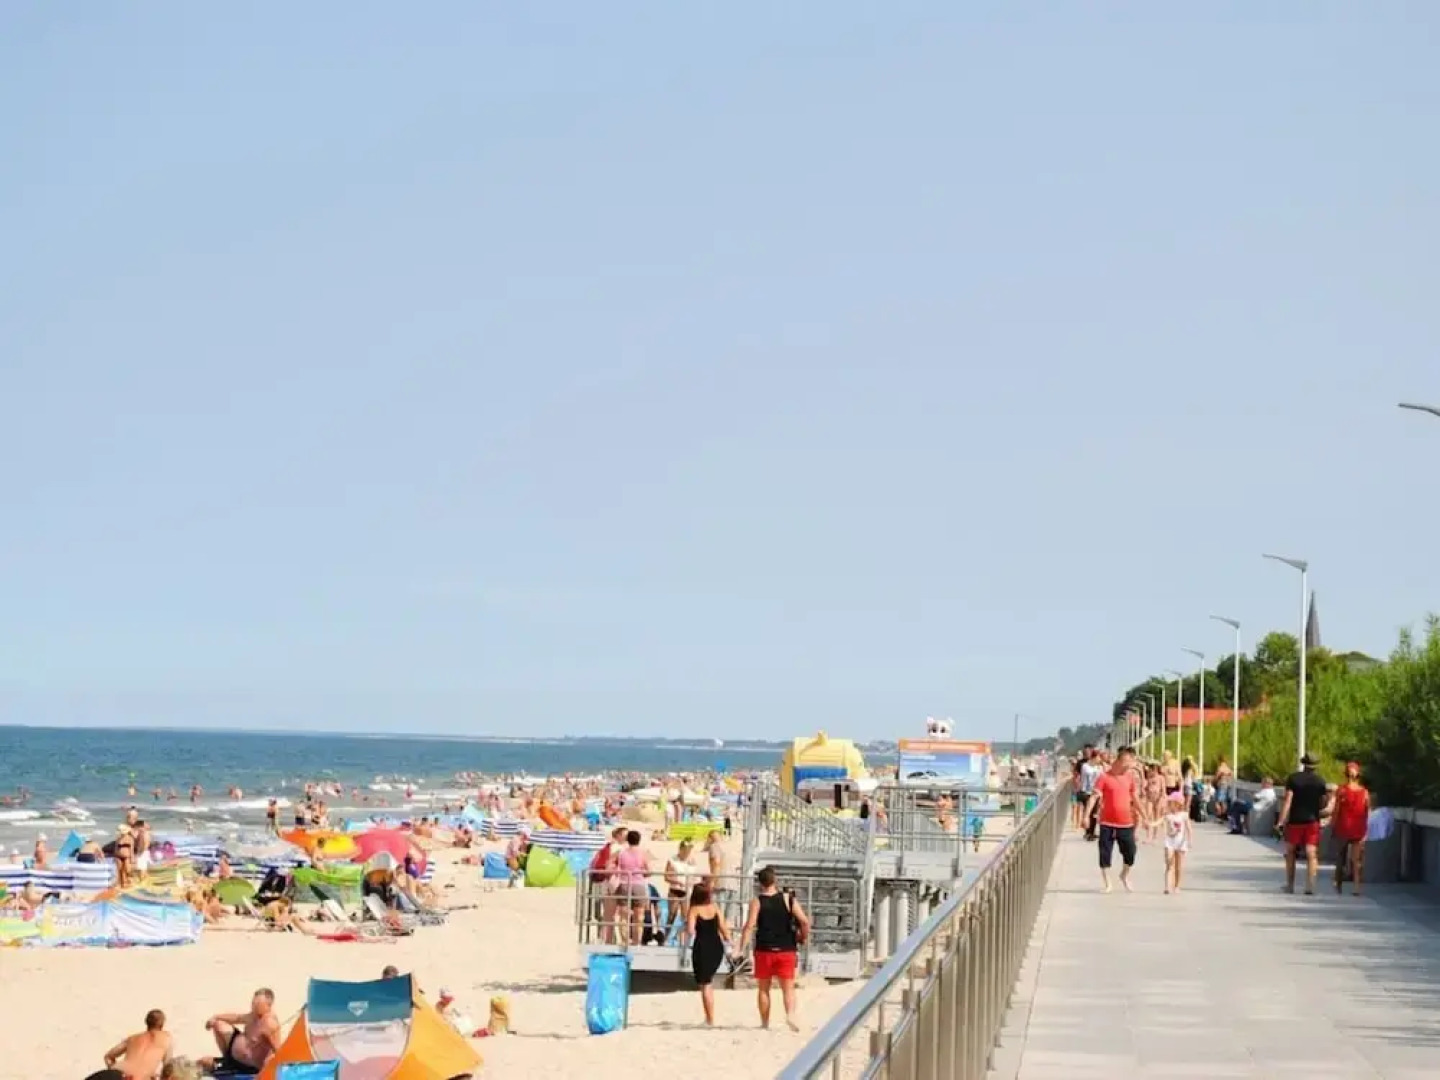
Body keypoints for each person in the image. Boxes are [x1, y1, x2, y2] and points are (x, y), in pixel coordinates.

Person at [738, 866, 809, 1031]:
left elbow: (750, 925)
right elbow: (804, 921)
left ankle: (764, 1023)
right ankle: (790, 1014)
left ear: (760, 883)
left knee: (764, 988)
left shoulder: (757, 901)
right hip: (786, 948)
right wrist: (802, 937)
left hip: (764, 949)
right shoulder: (788, 899)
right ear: (774, 880)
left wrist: (742, 946)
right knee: (788, 987)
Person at [1086, 746, 1140, 893]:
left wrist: (1145, 816)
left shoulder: (1129, 777)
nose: (1130, 768)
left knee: (1130, 852)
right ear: (1121, 761)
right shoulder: (1104, 777)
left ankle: (1124, 875)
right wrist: (1086, 816)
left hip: (1126, 822)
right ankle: (1108, 883)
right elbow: (1093, 797)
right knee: (1104, 853)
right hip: (1107, 823)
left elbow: (1135, 798)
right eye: (1128, 764)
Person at [1277, 753, 1331, 896]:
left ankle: (1290, 885)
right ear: (1316, 765)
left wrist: (1281, 821)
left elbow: (1287, 801)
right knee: (1311, 853)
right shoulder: (1320, 781)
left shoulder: (1293, 779)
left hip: (1295, 820)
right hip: (1312, 821)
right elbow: (1324, 802)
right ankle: (1310, 886)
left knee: (1290, 852)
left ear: (1303, 764)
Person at [200, 988, 282, 1074]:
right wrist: (216, 1017)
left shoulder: (270, 1024)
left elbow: (278, 1050)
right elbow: (237, 1018)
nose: (253, 1006)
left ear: (268, 1005)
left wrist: (270, 1063)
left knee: (205, 1062)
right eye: (253, 1003)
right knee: (218, 1024)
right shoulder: (253, 1015)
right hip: (234, 1053)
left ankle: (227, 1064)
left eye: (258, 1004)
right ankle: (227, 1058)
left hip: (247, 1065)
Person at [685, 882, 733, 1026]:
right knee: (709, 983)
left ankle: (710, 1019)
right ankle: (709, 1017)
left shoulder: (694, 910)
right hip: (716, 946)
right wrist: (729, 944)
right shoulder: (715, 908)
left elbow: (691, 930)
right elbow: (724, 929)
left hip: (702, 947)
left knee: (705, 985)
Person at [1331, 761, 1371, 896]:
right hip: (1358, 828)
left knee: (1340, 857)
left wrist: (1332, 825)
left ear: (1345, 774)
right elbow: (1367, 811)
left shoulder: (1341, 790)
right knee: (1356, 860)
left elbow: (1336, 810)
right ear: (1358, 775)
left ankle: (1338, 884)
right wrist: (1366, 829)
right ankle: (1356, 888)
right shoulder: (1364, 792)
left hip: (1343, 827)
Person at [103, 1009, 173, 1080]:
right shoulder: (166, 1038)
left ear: (146, 1021)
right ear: (163, 1023)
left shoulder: (132, 1038)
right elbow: (168, 1070)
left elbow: (108, 1057)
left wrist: (114, 1073)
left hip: (117, 1073)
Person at [613, 830, 652, 945]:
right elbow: (649, 871)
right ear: (639, 840)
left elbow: (614, 867)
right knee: (639, 917)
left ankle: (625, 941)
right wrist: (641, 873)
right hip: (639, 884)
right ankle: (637, 942)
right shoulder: (643, 853)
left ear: (627, 840)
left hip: (625, 883)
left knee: (624, 916)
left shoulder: (621, 853)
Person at [1161, 792, 1193, 894]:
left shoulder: (1184, 815)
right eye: (1169, 803)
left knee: (1178, 866)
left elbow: (1189, 828)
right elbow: (1159, 822)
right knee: (1169, 864)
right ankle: (1167, 887)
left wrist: (1190, 840)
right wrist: (1149, 823)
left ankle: (1177, 886)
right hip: (1170, 841)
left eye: (1171, 803)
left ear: (1177, 804)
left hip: (1181, 842)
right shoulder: (1168, 816)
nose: (1169, 805)